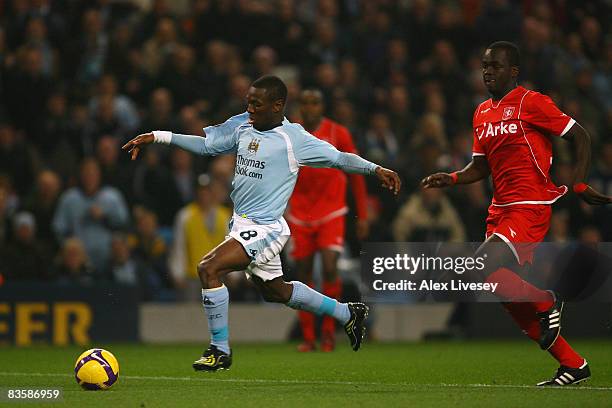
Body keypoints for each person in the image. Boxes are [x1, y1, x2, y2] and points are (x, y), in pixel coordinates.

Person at [123, 75, 401, 371]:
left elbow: (338, 159)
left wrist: (375, 169)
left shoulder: (294, 139)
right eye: (249, 102)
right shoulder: (243, 125)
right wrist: (157, 136)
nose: (250, 108)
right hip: (241, 224)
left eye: (257, 103)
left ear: (277, 105)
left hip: (266, 228)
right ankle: (348, 313)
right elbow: (206, 146)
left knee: (209, 267)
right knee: (276, 291)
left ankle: (219, 350)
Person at [421, 41, 611, 386]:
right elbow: (480, 167)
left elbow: (581, 136)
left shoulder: (532, 102)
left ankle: (545, 300)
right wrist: (451, 177)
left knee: (480, 268)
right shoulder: (481, 113)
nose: (487, 72)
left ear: (513, 71)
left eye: (495, 66)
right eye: (484, 66)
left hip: (530, 204)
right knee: (502, 293)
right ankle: (573, 364)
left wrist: (580, 184)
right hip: (500, 209)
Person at [288, 89, 370, 352]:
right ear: (300, 107)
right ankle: (309, 337)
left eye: (315, 103)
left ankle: (328, 334)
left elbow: (355, 172)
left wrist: (363, 214)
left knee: (329, 267)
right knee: (302, 273)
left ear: (322, 107)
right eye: (306, 103)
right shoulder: (291, 133)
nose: (310, 108)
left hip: (331, 211)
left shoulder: (338, 133)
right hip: (300, 213)